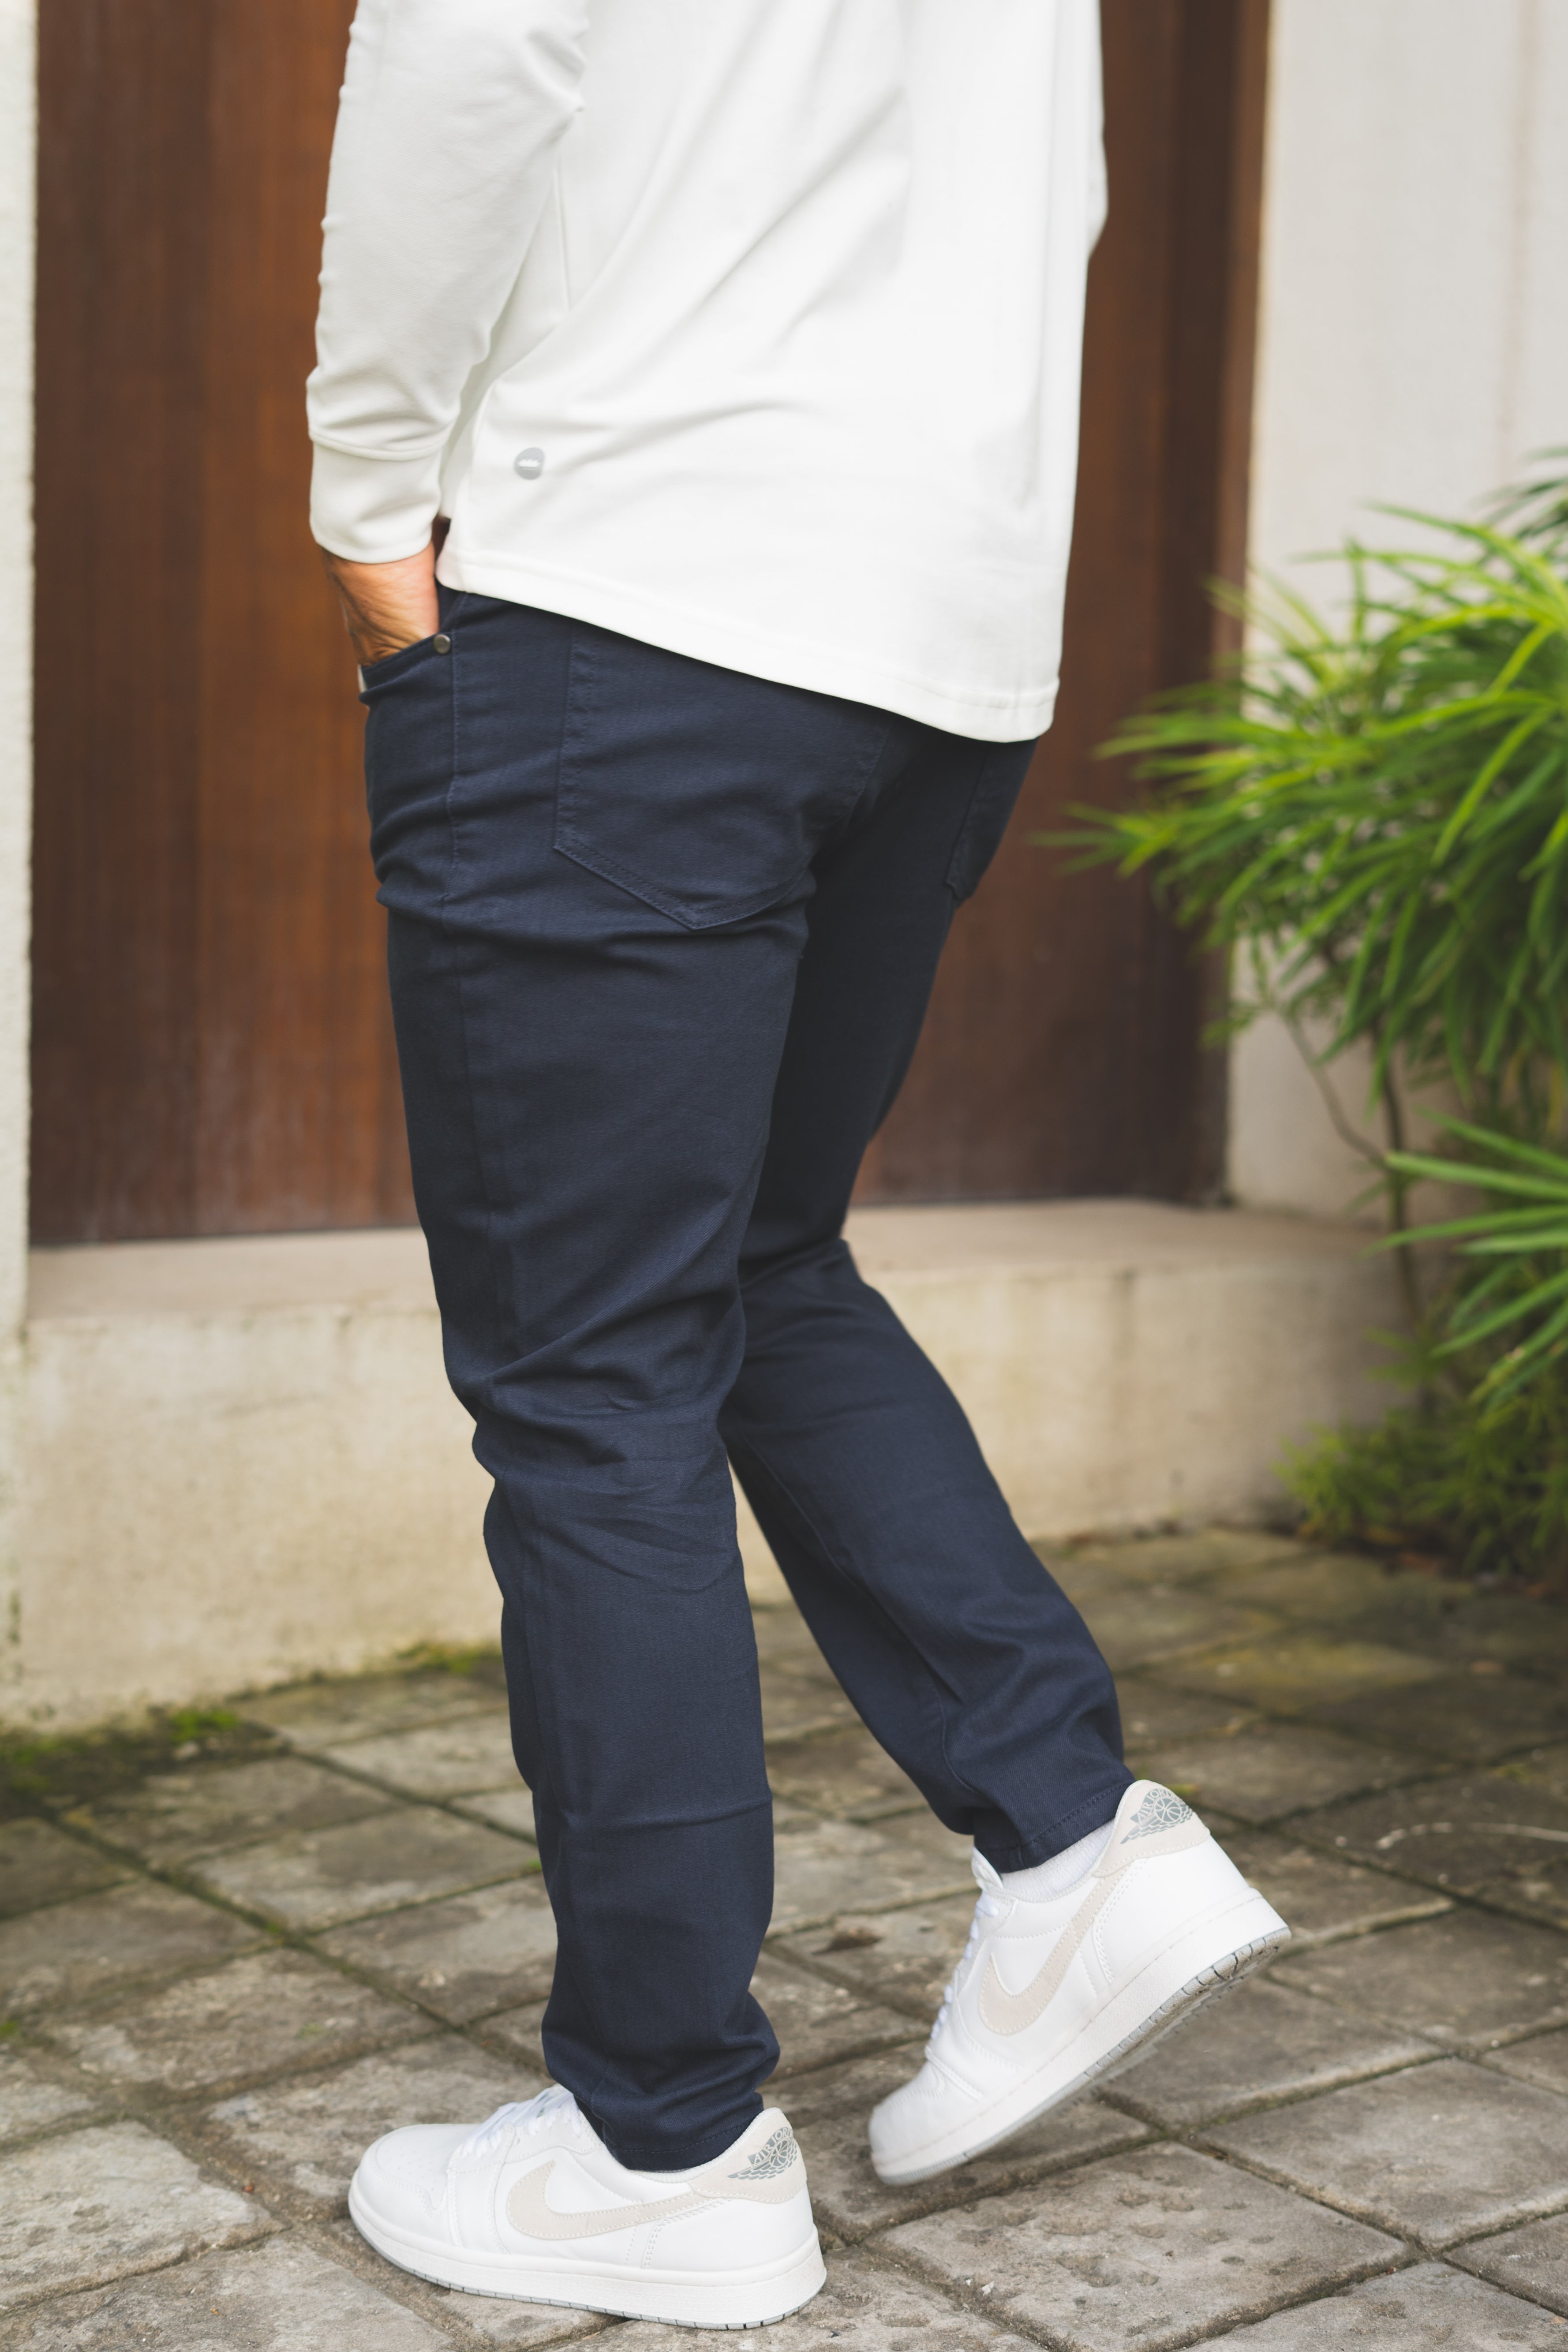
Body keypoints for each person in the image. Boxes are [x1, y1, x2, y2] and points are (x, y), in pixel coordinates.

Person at [308, 0, 1288, 2325]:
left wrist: (364, 494)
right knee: (752, 1260)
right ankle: (1073, 1843)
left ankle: (660, 2138)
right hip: (930, 638)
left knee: (590, 1379)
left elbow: (471, 53)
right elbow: (1053, 184)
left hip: (627, 592)